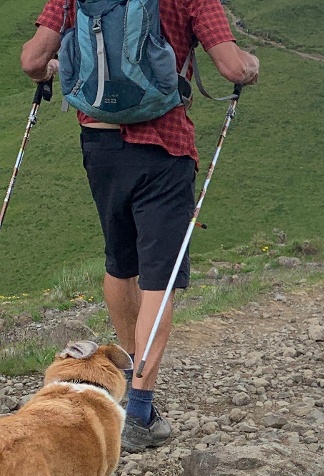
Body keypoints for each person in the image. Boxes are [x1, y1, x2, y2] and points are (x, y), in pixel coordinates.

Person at [21, 0, 260, 452]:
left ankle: (130, 385)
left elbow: (32, 60)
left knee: (120, 263)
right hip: (164, 146)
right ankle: (140, 412)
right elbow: (231, 67)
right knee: (159, 279)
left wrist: (54, 67)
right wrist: (251, 66)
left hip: (101, 144)